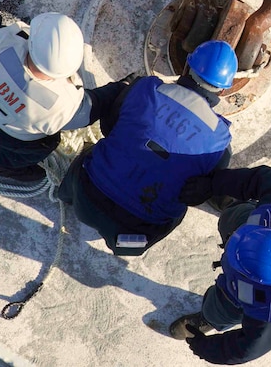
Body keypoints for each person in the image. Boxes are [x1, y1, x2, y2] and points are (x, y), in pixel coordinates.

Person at [57, 40, 238, 256]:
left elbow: (108, 127)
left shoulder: (145, 88)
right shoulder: (219, 142)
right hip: (137, 228)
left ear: (187, 67)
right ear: (224, 89)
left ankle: (65, 195)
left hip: (86, 197)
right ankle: (124, 249)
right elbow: (200, 191)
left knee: (90, 154)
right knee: (176, 210)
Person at [0, 11, 127, 182]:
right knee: (45, 143)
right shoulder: (67, 105)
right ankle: (1, 164)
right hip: (11, 136)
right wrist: (124, 87)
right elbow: (97, 105)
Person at [169, 163, 271, 364]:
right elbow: (265, 177)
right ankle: (229, 203)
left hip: (240, 293)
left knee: (221, 307)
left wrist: (204, 347)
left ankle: (208, 318)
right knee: (233, 217)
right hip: (257, 231)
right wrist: (213, 185)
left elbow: (244, 350)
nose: (231, 238)